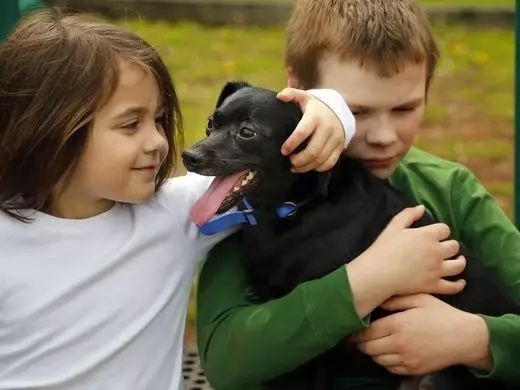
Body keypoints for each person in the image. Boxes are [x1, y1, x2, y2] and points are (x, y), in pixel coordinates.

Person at [0, 9, 354, 389]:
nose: (158, 141)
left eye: (159, 119)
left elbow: (336, 113)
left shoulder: (175, 213)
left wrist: (326, 110)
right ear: (49, 132)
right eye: (130, 124)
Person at [197, 0, 520, 388]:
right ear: (299, 92)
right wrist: (367, 280)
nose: (384, 137)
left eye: (405, 109)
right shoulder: (254, 186)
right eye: (357, 112)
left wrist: (476, 339)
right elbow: (226, 360)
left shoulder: (449, 190)